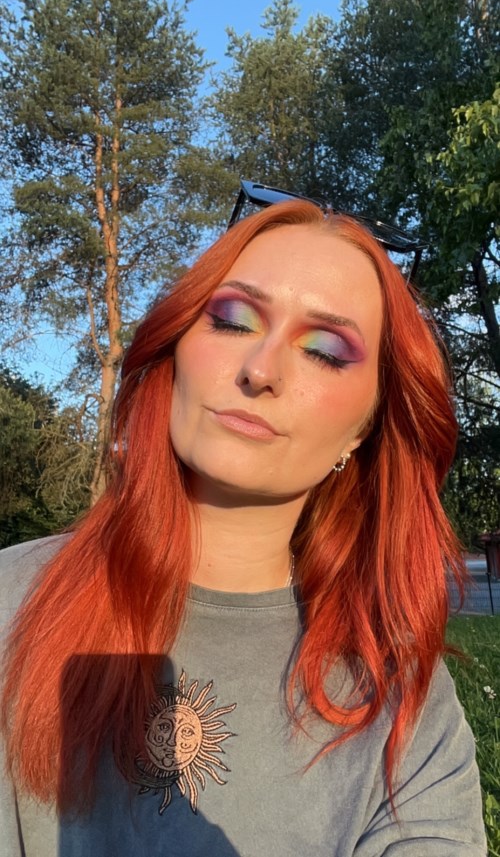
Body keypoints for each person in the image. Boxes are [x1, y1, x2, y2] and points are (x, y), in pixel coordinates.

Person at [0, 192, 487, 857]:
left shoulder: (403, 701)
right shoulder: (11, 601)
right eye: (231, 320)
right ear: (177, 347)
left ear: (364, 428)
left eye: (324, 351)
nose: (259, 370)